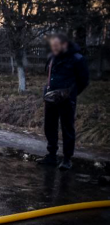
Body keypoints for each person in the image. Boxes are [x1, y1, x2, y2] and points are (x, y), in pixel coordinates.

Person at [37, 34, 89, 170]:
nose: (53, 48)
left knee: (67, 128)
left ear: (65, 45)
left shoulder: (77, 59)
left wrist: (71, 94)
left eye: (56, 45)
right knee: (50, 127)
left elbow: (84, 81)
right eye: (52, 45)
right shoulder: (52, 57)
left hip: (67, 100)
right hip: (50, 98)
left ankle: (67, 159)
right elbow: (49, 76)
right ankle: (51, 156)